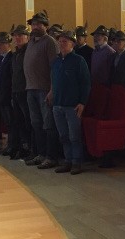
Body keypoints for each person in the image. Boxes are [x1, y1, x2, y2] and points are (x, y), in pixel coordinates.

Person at [50, 30, 91, 175]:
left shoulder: (79, 61)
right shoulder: (56, 61)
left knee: (74, 136)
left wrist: (82, 102)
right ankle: (67, 161)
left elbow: (86, 83)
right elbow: (54, 80)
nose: (62, 44)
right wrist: (51, 93)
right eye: (60, 41)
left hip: (72, 106)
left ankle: (76, 162)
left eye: (65, 41)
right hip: (57, 105)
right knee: (63, 136)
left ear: (72, 44)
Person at [23, 11, 58, 169]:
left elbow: (55, 68)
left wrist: (52, 90)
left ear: (45, 26)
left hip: (44, 90)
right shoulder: (31, 42)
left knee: (48, 124)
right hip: (31, 88)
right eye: (33, 24)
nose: (35, 27)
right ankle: (41, 154)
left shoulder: (49, 42)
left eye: (38, 24)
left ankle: (51, 157)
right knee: (36, 124)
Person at [8, 23, 32, 160]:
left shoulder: (29, 52)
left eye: (20, 35)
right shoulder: (15, 54)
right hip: (16, 91)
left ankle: (31, 148)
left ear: (27, 37)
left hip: (26, 91)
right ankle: (23, 147)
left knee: (29, 122)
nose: (17, 38)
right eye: (16, 35)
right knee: (19, 122)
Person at [0, 31, 14, 153]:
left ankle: (12, 146)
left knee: (11, 122)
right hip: (2, 94)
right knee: (7, 122)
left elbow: (11, 79)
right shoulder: (2, 59)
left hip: (7, 95)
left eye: (2, 44)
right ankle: (9, 145)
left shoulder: (11, 58)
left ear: (8, 44)